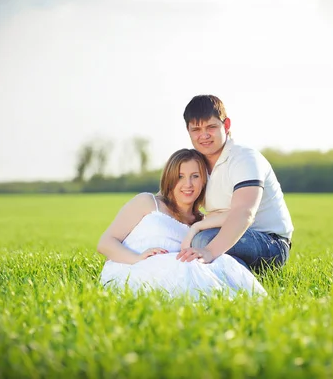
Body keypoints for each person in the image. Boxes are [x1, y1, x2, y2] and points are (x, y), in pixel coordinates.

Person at [97, 148, 266, 298]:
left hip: (173, 268)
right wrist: (138, 258)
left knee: (222, 262)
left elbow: (238, 214)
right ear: (170, 179)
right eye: (180, 177)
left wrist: (196, 227)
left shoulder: (202, 220)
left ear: (204, 181)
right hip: (131, 268)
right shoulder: (147, 202)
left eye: (195, 176)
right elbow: (105, 243)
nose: (188, 184)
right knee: (188, 270)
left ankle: (245, 304)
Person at [176, 95, 294, 271]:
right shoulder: (195, 164)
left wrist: (208, 250)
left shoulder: (244, 158)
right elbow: (170, 201)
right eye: (196, 129)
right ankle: (217, 276)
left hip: (271, 243)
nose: (204, 135)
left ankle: (238, 282)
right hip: (224, 235)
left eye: (211, 127)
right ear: (188, 130)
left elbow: (244, 212)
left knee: (203, 241)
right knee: (176, 236)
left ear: (226, 125)